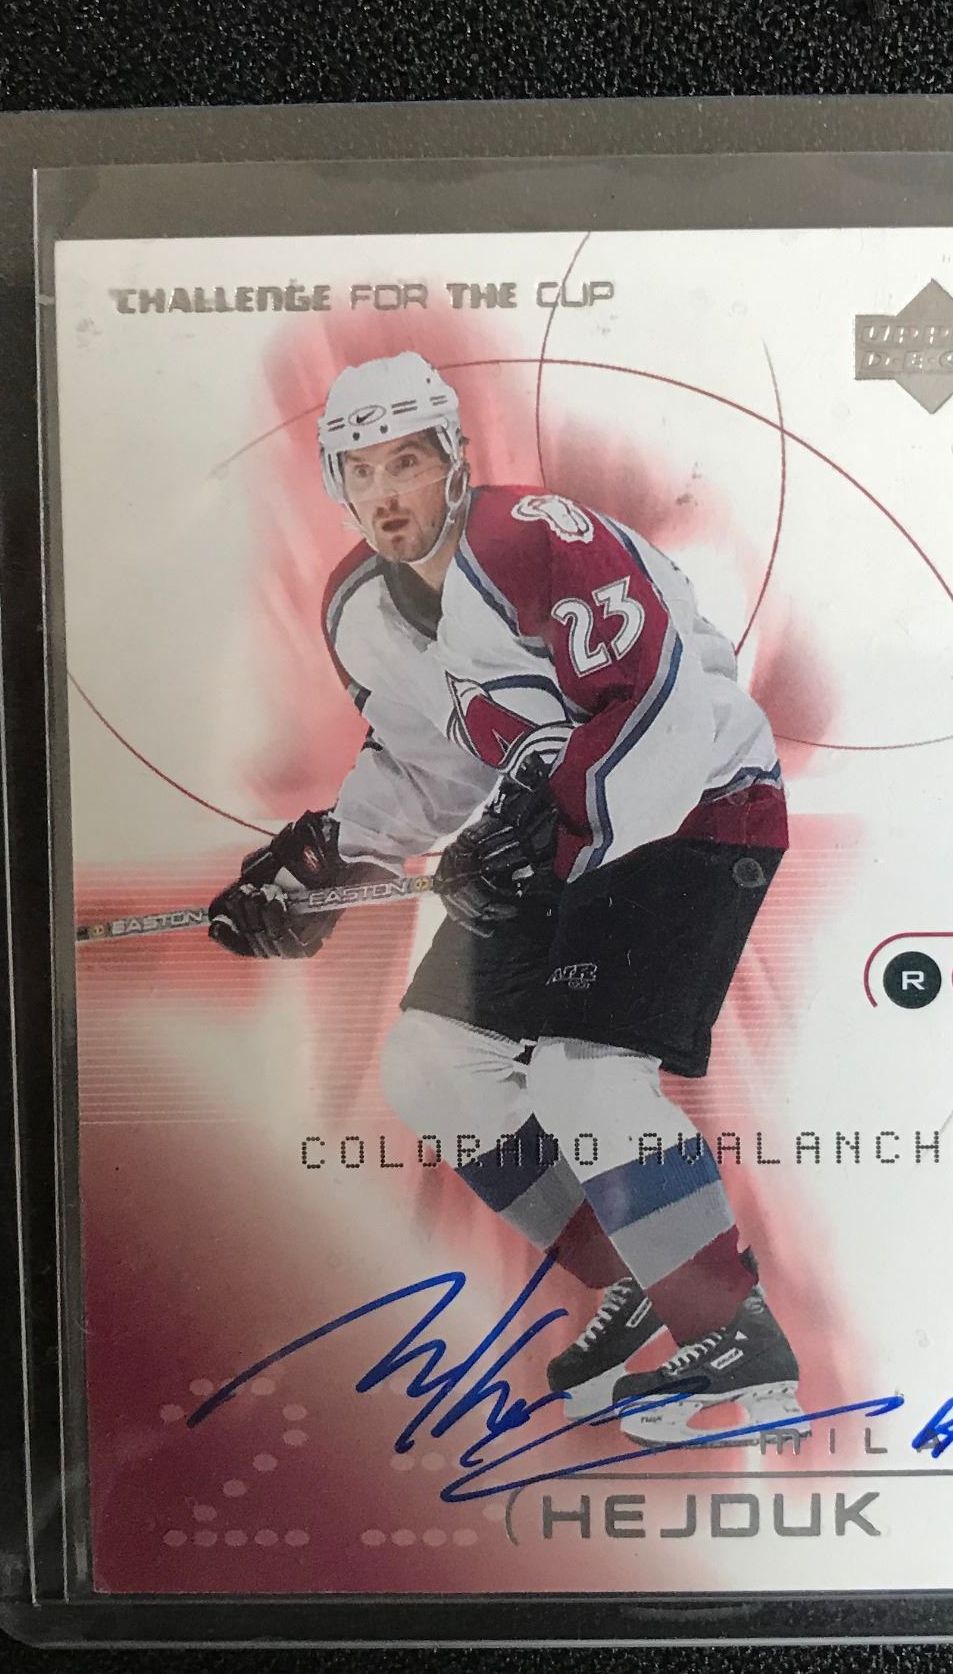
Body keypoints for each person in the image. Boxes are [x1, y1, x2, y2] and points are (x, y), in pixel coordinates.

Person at [208, 351, 805, 1445]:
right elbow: (429, 769)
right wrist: (321, 870)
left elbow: (660, 708)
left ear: (454, 459)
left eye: (407, 461)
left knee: (585, 1077)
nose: (385, 493)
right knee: (432, 1066)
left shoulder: (532, 537)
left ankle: (732, 1332)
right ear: (337, 483)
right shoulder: (358, 609)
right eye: (360, 471)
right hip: (562, 831)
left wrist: (542, 831)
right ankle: (643, 1269)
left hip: (697, 806)